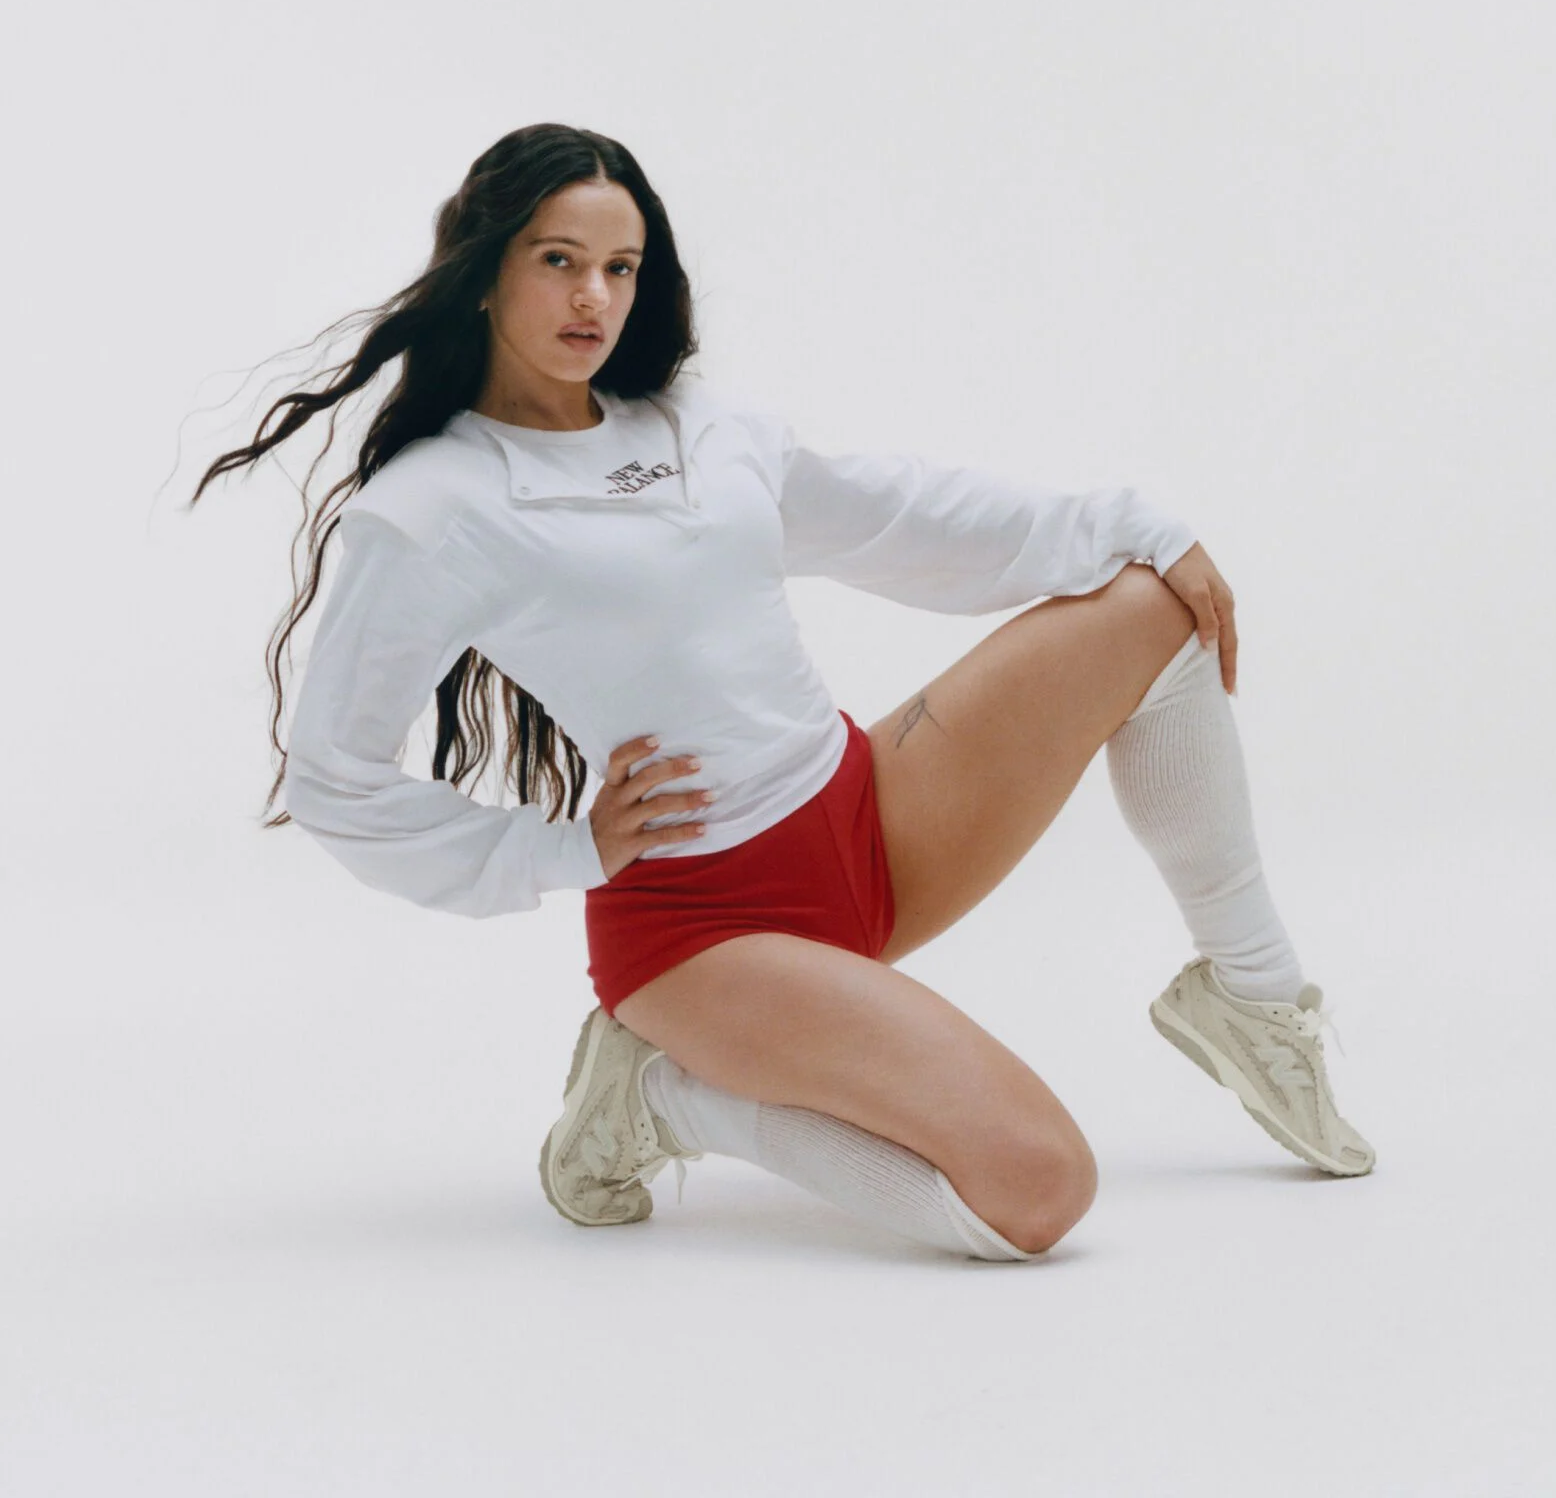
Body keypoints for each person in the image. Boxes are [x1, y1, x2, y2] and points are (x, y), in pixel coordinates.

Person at [192, 121, 1374, 1265]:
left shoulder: (696, 425)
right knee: (1036, 1189)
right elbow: (332, 777)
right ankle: (667, 1094)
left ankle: (1253, 995)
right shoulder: (433, 508)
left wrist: (1140, 526)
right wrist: (553, 850)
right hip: (701, 928)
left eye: (618, 266)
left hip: (867, 815)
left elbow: (896, 516)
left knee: (1147, 605)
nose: (592, 299)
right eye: (557, 261)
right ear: (485, 269)